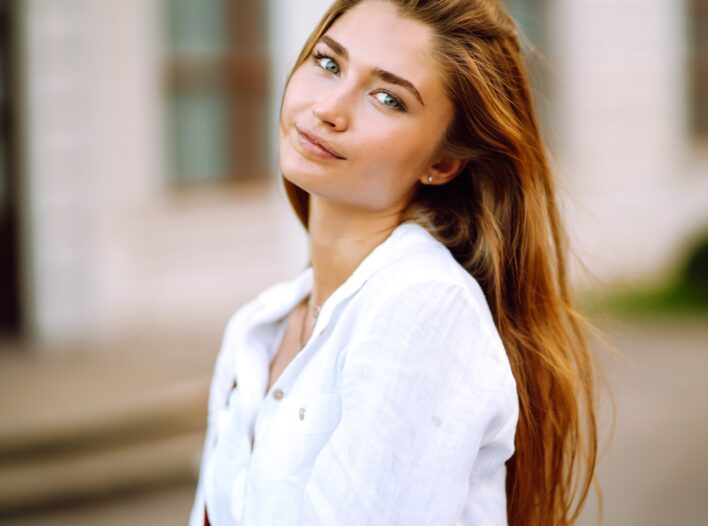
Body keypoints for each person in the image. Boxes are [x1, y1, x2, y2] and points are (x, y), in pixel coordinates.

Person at [189, 1, 609, 524]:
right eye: (328, 64)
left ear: (442, 162)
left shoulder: (424, 305)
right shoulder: (259, 328)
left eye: (387, 98)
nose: (329, 109)